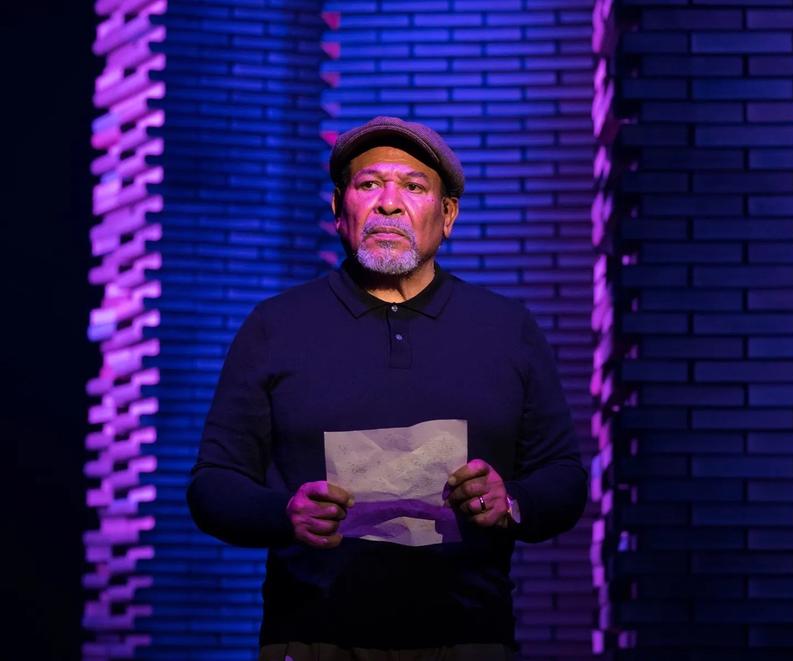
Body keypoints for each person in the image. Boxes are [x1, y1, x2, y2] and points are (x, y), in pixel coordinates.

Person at [187, 116, 588, 661]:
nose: (389, 203)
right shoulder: (276, 327)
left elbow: (564, 477)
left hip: (469, 639)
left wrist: (511, 501)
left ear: (447, 216)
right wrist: (285, 514)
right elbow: (213, 485)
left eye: (414, 187)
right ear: (338, 210)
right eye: (369, 184)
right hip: (312, 639)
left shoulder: (506, 329)